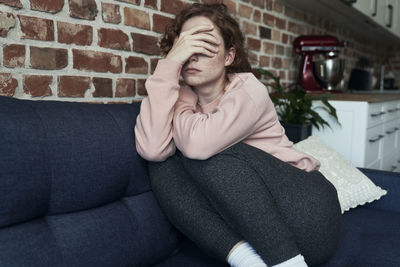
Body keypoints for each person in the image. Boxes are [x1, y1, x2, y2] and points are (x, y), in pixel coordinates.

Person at [134, 3, 341, 267]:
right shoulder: (177, 99)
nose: (192, 57)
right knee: (161, 165)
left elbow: (199, 146)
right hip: (252, 233)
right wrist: (171, 68)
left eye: (205, 46)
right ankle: (247, 261)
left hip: (308, 213)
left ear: (229, 57)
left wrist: (180, 106)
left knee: (210, 154)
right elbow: (152, 148)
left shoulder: (248, 89)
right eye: (186, 46)